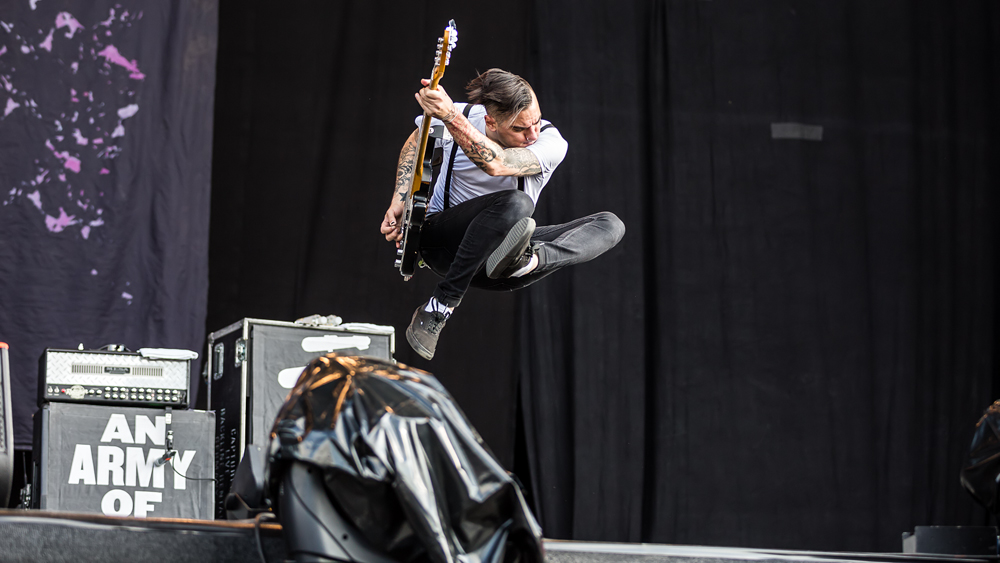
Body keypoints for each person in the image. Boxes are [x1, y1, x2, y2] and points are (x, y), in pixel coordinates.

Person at [381, 69, 624, 360]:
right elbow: (417, 137)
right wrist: (400, 196)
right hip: (444, 245)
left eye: (535, 122)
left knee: (610, 224)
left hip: (500, 265)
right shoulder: (464, 114)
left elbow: (499, 164)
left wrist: (449, 116)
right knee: (518, 204)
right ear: (490, 122)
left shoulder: (550, 142)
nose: (532, 134)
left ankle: (531, 260)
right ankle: (439, 306)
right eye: (520, 129)